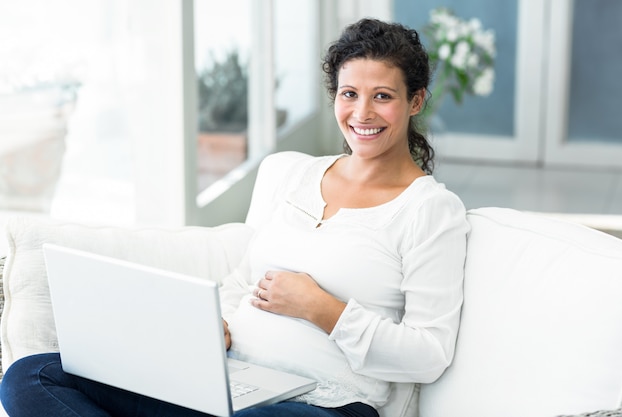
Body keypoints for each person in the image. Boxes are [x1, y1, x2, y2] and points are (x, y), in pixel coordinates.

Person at [0, 18, 469, 417]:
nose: (362, 113)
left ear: (415, 101)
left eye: (382, 96)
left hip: (322, 404)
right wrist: (213, 327)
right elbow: (241, 281)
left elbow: (428, 354)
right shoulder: (298, 174)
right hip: (225, 379)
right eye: (349, 93)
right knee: (32, 375)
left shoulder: (430, 210)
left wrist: (324, 309)